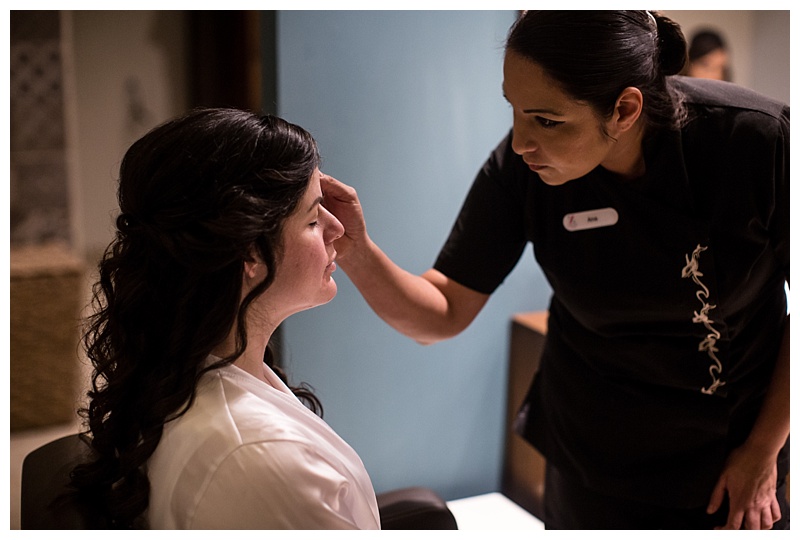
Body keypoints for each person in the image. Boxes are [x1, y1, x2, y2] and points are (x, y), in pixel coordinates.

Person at [321, 11, 789, 530]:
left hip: (733, 453)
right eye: (515, 111)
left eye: (546, 120)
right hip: (591, 449)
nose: (521, 141)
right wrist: (355, 250)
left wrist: (763, 453)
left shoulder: (757, 142)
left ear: (624, 109)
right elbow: (445, 311)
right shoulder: (521, 170)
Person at [70, 108, 380, 529]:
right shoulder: (262, 458)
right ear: (250, 252)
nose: (337, 229)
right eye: (312, 217)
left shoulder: (185, 365)